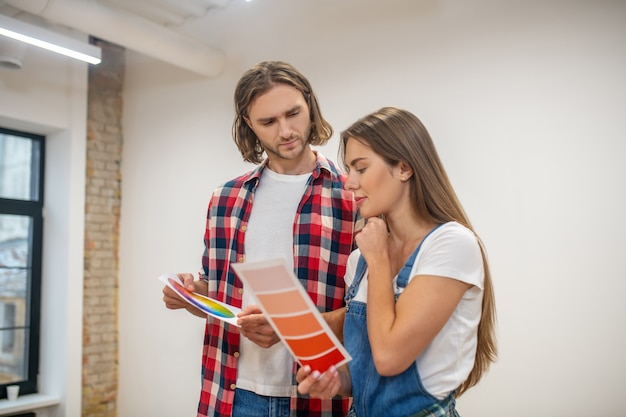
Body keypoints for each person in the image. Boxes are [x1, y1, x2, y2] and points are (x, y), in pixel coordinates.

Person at [162, 61, 358, 417]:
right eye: (268, 122)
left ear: (310, 107)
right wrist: (191, 293)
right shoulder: (225, 197)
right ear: (249, 125)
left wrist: (288, 327)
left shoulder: (351, 195)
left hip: (317, 394)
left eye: (293, 114)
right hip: (231, 393)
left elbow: (370, 310)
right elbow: (217, 290)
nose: (286, 130)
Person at [296, 107, 497, 416]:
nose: (349, 183)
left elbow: (389, 358)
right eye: (348, 169)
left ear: (404, 168)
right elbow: (367, 373)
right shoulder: (358, 261)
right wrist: (336, 379)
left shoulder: (451, 245)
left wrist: (378, 261)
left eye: (360, 168)